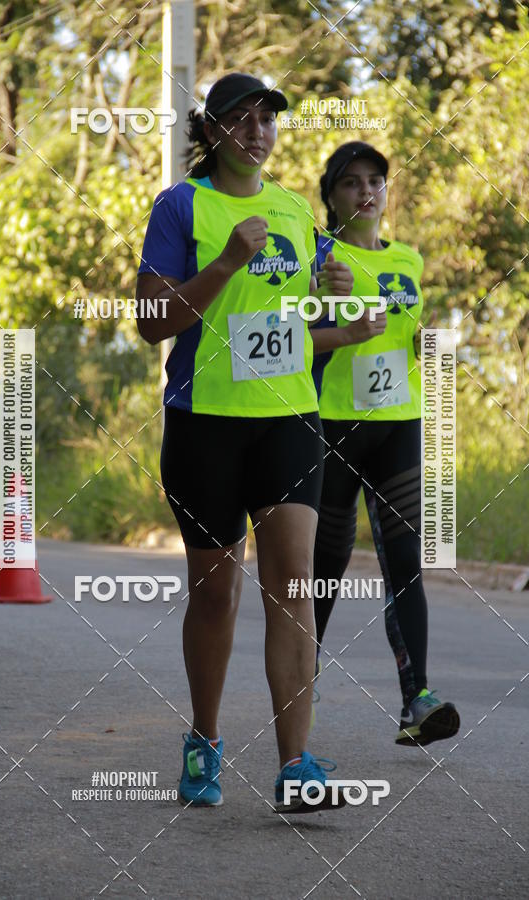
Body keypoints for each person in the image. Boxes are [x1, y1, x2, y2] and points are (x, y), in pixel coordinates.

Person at [135, 74, 352, 812]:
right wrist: (224, 262)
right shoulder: (181, 206)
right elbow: (151, 319)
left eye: (268, 119)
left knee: (292, 588)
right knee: (217, 594)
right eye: (241, 119)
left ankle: (297, 767)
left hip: (290, 420)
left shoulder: (294, 208)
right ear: (212, 131)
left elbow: (306, 311)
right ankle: (204, 739)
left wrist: (336, 286)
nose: (257, 131)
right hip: (205, 428)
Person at [310, 141, 460, 747]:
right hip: (330, 426)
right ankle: (299, 680)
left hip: (398, 421)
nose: (366, 191)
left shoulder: (411, 261)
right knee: (324, 570)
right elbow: (294, 329)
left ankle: (417, 701)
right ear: (331, 197)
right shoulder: (317, 256)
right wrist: (328, 306)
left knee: (406, 564)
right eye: (351, 183)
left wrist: (427, 346)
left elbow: (404, 337)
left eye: (376, 180)